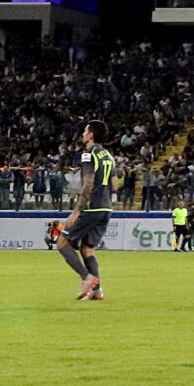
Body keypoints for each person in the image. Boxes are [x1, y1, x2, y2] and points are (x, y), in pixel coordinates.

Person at [54, 120, 116, 301]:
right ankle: (97, 291)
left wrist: (76, 211)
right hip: (106, 207)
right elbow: (114, 185)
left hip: (92, 206)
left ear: (91, 135)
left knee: (62, 242)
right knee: (87, 249)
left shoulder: (88, 155)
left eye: (85, 131)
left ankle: (87, 278)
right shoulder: (108, 156)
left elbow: (88, 183)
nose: (82, 134)